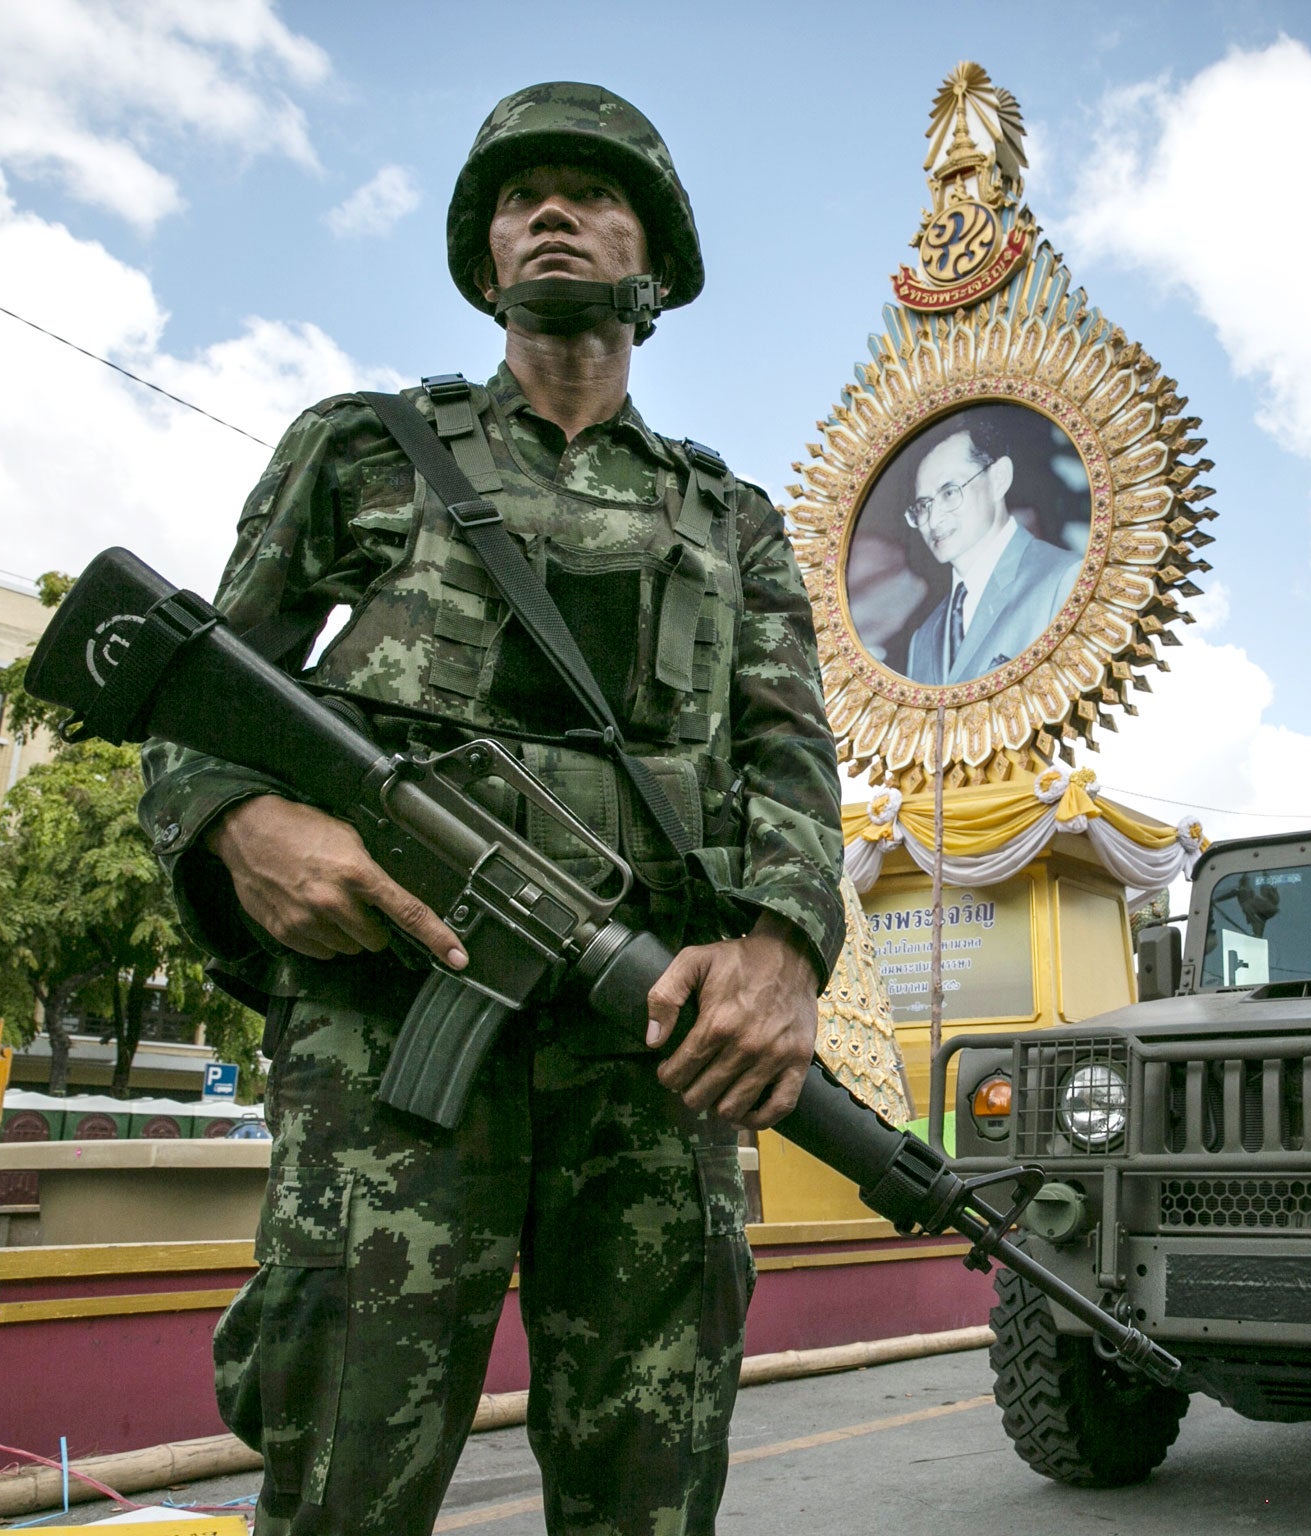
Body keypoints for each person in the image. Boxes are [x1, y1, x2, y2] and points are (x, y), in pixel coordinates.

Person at [139, 82, 844, 1536]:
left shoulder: (733, 523)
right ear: (485, 258)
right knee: (345, 1471)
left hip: (657, 1048)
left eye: (593, 192)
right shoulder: (361, 447)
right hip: (393, 1028)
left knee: (650, 1489)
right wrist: (238, 825)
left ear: (658, 263)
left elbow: (789, 758)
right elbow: (195, 694)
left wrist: (784, 948)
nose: (552, 212)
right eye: (522, 197)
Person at [900, 418, 1080, 684]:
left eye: (949, 492)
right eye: (923, 505)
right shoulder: (923, 639)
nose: (932, 519)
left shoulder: (1063, 580)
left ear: (999, 479)